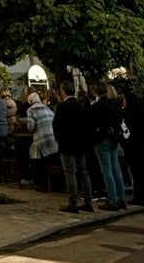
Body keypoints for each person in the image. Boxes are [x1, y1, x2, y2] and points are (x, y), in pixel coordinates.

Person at [53, 82, 94, 214]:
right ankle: (88, 201)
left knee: (70, 172)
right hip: (81, 143)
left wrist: (59, 139)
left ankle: (73, 202)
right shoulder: (80, 106)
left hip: (67, 144)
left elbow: (56, 125)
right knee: (83, 171)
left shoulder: (62, 106)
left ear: (63, 91)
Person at [88, 83, 127, 211]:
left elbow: (91, 124)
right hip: (113, 139)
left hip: (102, 140)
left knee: (107, 171)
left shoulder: (97, 107)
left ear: (96, 93)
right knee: (116, 170)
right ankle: (121, 198)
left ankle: (112, 199)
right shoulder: (114, 105)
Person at [26, 91, 58, 192]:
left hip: (41, 139)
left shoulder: (31, 110)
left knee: (39, 162)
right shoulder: (47, 108)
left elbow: (31, 126)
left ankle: (44, 185)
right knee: (53, 162)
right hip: (52, 138)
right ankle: (56, 185)